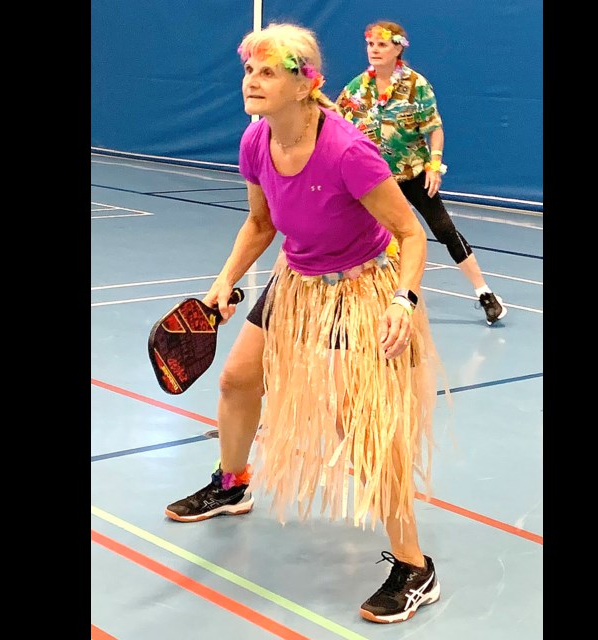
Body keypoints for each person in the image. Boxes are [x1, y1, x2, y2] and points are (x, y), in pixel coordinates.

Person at [164, 23, 444, 624]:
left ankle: (415, 567)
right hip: (295, 280)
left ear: (303, 82)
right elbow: (262, 224)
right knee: (238, 379)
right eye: (248, 70)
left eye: (268, 72)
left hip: (362, 285)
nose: (252, 82)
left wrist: (404, 300)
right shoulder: (255, 141)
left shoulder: (345, 149)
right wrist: (225, 278)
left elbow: (409, 233)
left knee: (362, 422)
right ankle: (233, 482)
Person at [336, 21, 507, 326]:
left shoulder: (417, 85)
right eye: (371, 45)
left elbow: (434, 129)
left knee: (444, 229)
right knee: (368, 239)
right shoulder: (355, 88)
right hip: (374, 180)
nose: (374, 50)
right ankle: (377, 298)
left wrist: (434, 166)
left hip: (412, 173)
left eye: (382, 45)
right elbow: (336, 123)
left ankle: (485, 293)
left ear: (398, 48)